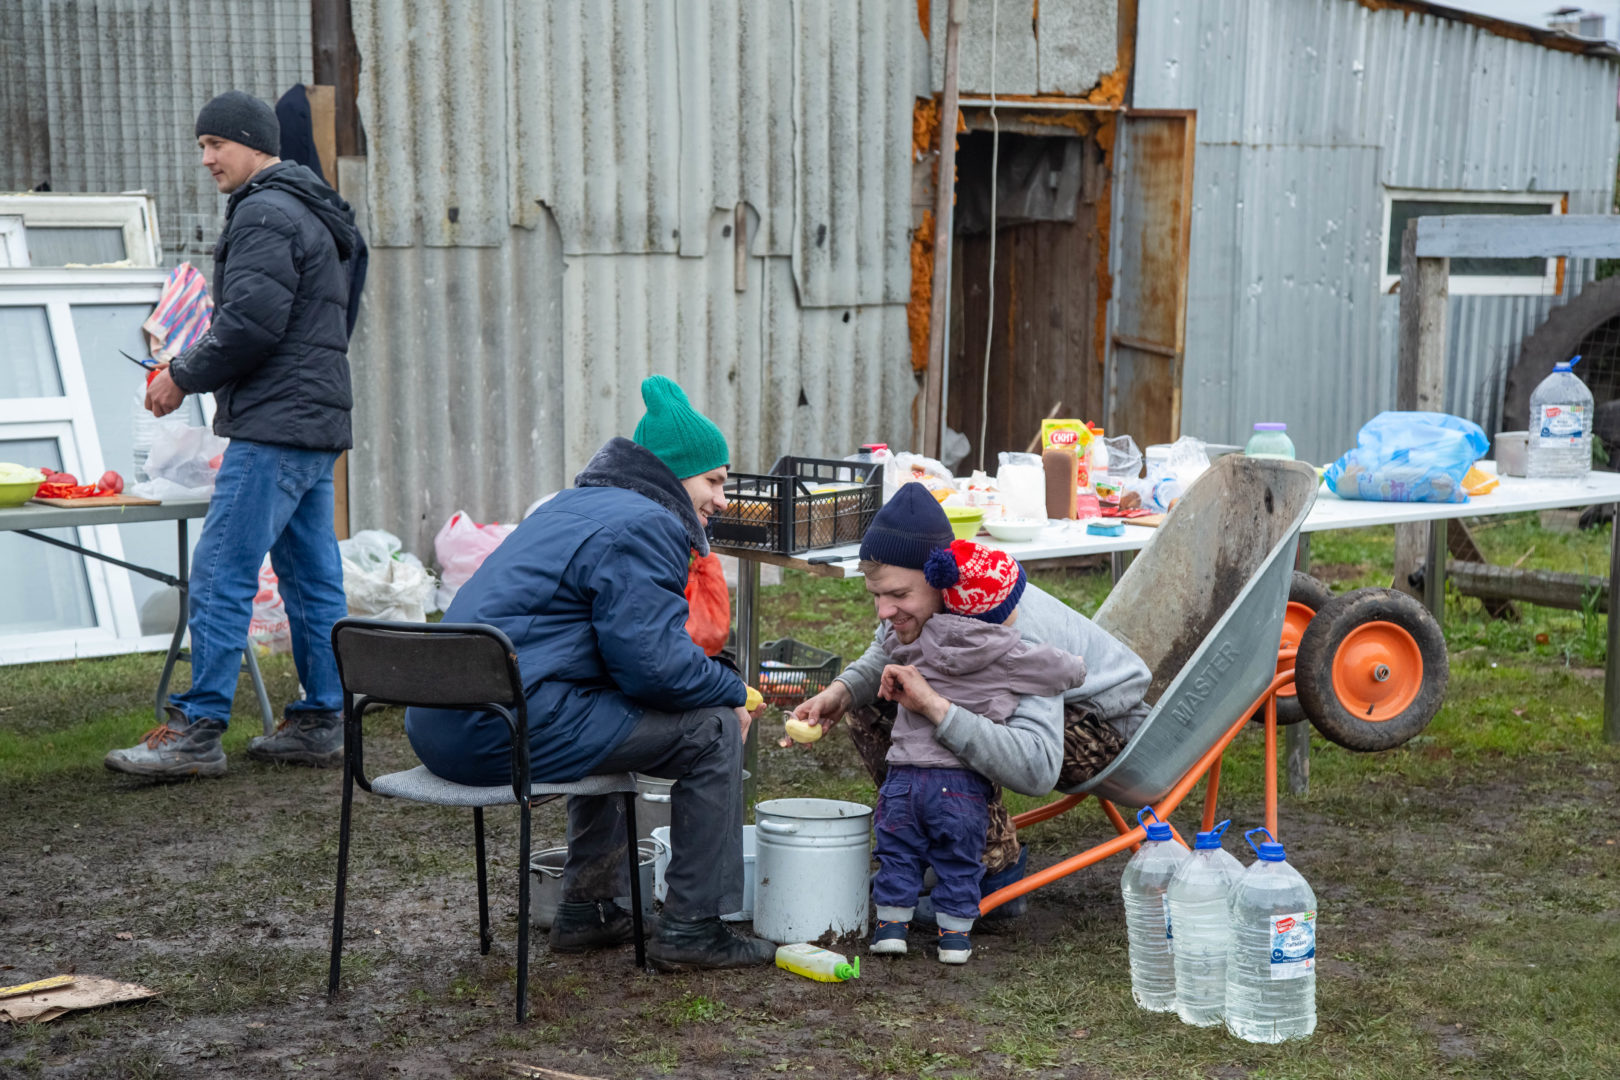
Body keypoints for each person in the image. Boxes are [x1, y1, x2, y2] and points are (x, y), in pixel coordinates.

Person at [404, 376, 775, 973]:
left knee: (619, 706)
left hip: (441, 716)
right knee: (709, 729)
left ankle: (588, 909)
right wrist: (733, 691)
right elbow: (653, 668)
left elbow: (629, 658)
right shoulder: (645, 525)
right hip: (496, 728)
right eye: (714, 481)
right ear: (675, 476)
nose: (722, 501)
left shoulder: (572, 507)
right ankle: (692, 928)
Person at [105, 90, 367, 780]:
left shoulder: (265, 212)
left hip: (277, 425)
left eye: (216, 144)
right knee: (312, 580)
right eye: (200, 146)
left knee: (221, 569)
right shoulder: (309, 209)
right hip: (312, 422)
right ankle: (321, 718)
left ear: (254, 143)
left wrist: (180, 375)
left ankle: (197, 730)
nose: (206, 158)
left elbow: (251, 325)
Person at [793, 484, 1152, 886]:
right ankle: (933, 839)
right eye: (876, 595)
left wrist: (937, 708)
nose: (884, 610)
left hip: (1111, 730)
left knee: (938, 701)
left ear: (941, 579)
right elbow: (888, 651)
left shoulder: (1007, 627)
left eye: (898, 595)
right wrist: (840, 693)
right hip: (1067, 718)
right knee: (876, 698)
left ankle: (988, 870)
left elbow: (1038, 768)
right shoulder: (942, 598)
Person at [869, 540, 1087, 964]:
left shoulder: (918, 636)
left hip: (903, 778)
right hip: (960, 784)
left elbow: (885, 651)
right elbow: (1064, 671)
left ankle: (891, 929)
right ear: (1001, 611)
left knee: (897, 852)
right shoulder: (1008, 651)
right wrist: (1076, 667)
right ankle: (954, 939)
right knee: (959, 859)